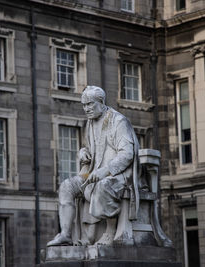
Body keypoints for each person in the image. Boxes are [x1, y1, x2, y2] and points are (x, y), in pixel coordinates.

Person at [47, 85, 140, 246]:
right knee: (66, 187)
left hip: (118, 175)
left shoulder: (118, 121)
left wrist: (106, 170)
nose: (86, 109)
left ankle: (110, 232)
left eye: (90, 104)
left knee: (103, 186)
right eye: (84, 105)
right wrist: (82, 152)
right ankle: (65, 234)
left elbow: (127, 154)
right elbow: (90, 148)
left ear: (101, 102)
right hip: (93, 172)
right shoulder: (90, 122)